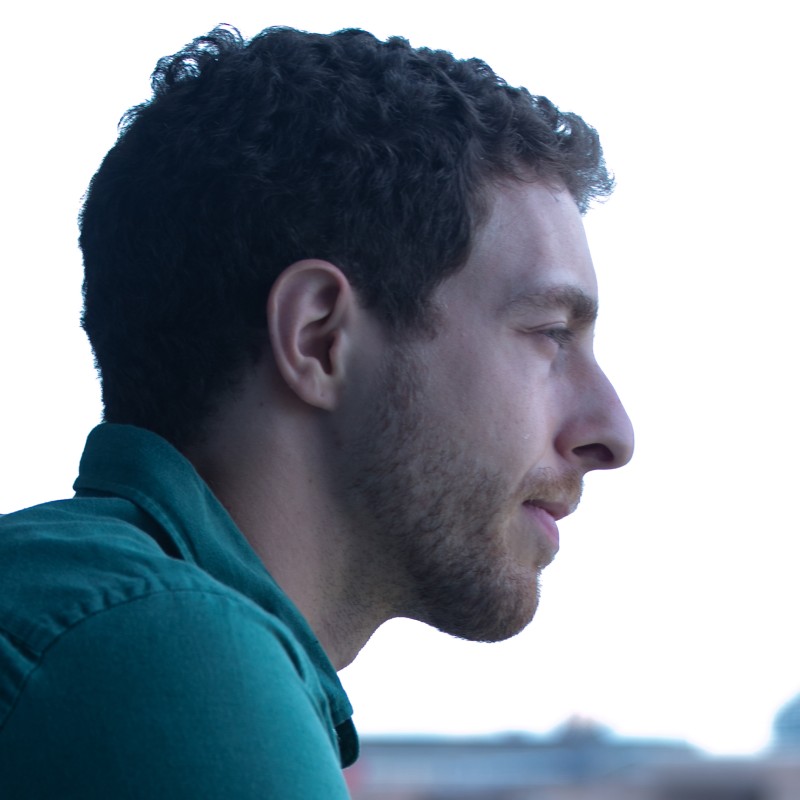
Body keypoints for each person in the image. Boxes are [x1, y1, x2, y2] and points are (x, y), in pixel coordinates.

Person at [0, 24, 633, 798]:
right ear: (319, 338)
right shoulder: (155, 652)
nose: (613, 432)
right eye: (550, 334)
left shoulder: (83, 619)